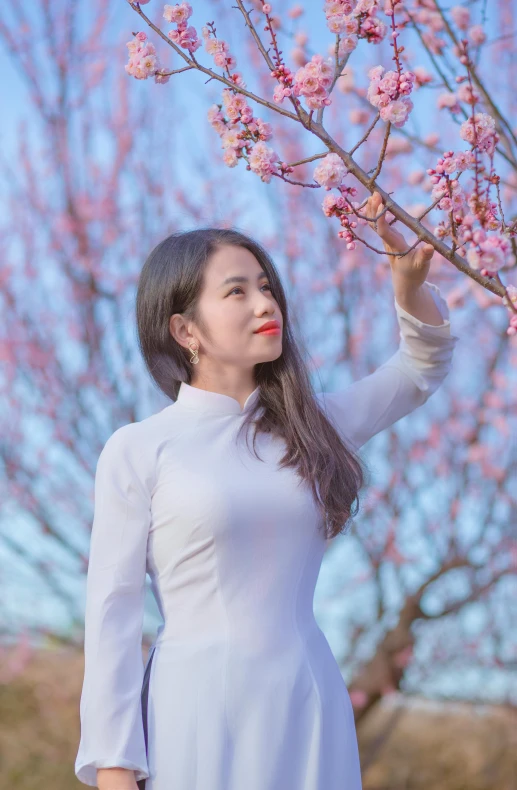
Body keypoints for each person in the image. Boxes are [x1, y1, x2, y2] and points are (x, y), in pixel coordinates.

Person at [74, 193, 458, 790]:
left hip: (309, 703)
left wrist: (407, 288)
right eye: (237, 291)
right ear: (184, 329)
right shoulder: (140, 448)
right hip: (194, 709)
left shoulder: (311, 428)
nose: (265, 303)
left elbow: (419, 369)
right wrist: (116, 771)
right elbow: (112, 620)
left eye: (266, 286)